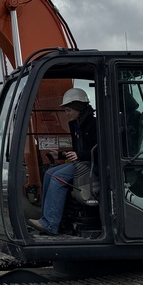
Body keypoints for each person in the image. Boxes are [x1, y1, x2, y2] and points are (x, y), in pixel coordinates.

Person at [30, 88, 98, 236]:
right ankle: (45, 218)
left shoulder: (94, 124)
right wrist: (60, 154)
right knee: (49, 173)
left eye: (68, 110)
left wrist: (79, 154)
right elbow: (76, 151)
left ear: (78, 107)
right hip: (83, 162)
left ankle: (51, 224)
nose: (66, 114)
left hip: (93, 164)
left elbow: (100, 150)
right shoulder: (76, 125)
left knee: (57, 177)